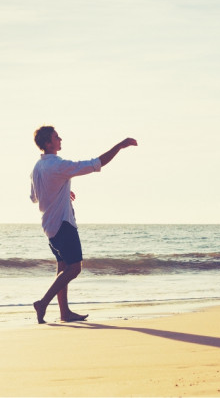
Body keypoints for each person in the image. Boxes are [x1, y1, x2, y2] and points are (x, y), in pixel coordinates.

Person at [30, 126, 137, 323]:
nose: (60, 138)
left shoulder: (37, 167)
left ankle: (64, 313)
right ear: (47, 143)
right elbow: (95, 163)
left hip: (49, 227)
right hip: (63, 224)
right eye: (56, 137)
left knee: (63, 266)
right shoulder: (58, 165)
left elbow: (34, 198)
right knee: (75, 268)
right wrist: (119, 146)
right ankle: (43, 303)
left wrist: (62, 193)